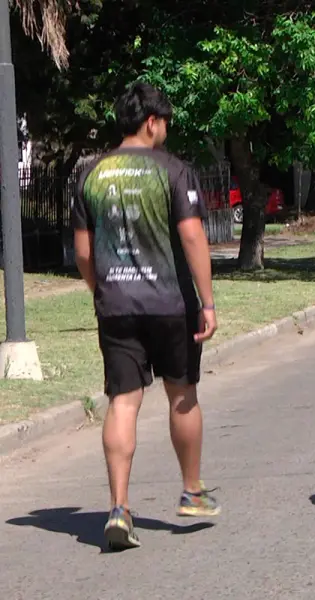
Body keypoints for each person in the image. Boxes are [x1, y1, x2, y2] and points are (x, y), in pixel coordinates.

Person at [72, 82, 221, 550]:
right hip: (170, 304)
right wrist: (208, 301)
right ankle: (191, 491)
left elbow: (83, 252)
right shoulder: (173, 170)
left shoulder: (90, 174)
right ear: (152, 121)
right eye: (166, 123)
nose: (166, 131)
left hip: (116, 305)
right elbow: (192, 236)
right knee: (182, 394)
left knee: (123, 401)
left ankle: (119, 508)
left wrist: (102, 290)